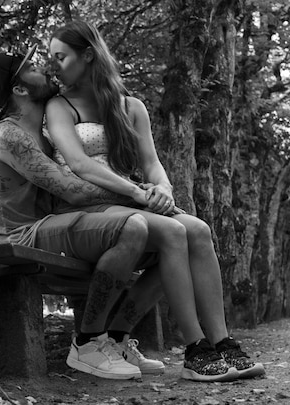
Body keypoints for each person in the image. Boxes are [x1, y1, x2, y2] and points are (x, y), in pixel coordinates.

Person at [45, 20, 265, 382]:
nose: (55, 65)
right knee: (172, 232)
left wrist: (162, 190)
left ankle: (221, 342)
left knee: (198, 230)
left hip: (131, 204)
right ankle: (195, 350)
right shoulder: (60, 106)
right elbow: (79, 164)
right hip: (85, 207)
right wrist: (137, 193)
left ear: (87, 56)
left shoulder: (131, 107)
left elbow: (151, 164)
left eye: (61, 57)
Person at [0, 45, 166, 380]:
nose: (46, 69)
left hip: (54, 226)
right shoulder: (9, 135)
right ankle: (88, 342)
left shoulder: (45, 134)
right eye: (33, 67)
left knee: (167, 241)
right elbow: (72, 189)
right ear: (20, 89)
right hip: (23, 235)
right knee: (134, 227)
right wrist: (140, 195)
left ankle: (118, 338)